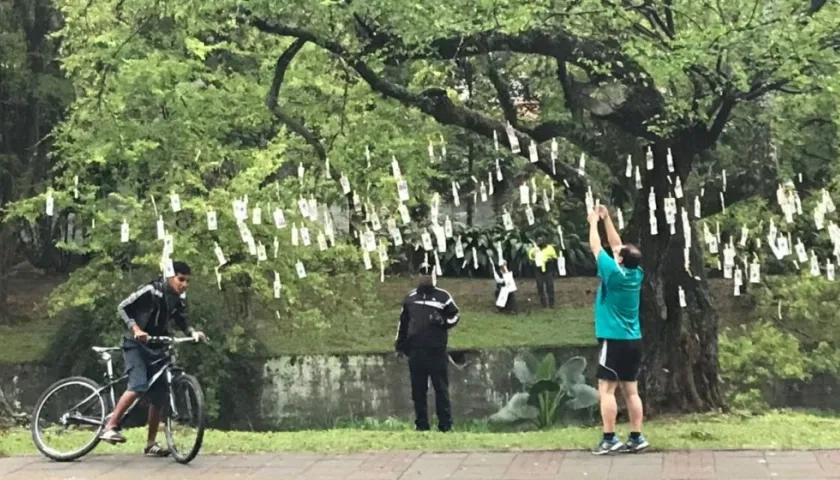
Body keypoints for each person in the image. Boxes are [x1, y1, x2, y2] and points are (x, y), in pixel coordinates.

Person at [99, 261, 206, 456]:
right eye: (181, 279)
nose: (184, 284)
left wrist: (193, 332)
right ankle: (110, 426)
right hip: (136, 345)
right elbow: (123, 307)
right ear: (169, 276)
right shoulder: (151, 290)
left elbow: (182, 319)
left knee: (159, 397)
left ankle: (150, 444)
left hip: (157, 346)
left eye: (187, 281)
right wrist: (136, 329)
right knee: (138, 386)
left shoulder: (179, 298)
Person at [587, 205, 649, 455]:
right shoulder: (636, 273)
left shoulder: (613, 273)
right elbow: (616, 245)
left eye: (619, 253)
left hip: (614, 340)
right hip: (634, 340)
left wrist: (593, 223)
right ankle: (636, 436)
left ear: (621, 260)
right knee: (631, 390)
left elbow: (596, 247)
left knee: (607, 389)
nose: (617, 251)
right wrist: (607, 219)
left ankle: (610, 438)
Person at [394, 266, 460, 432]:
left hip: (436, 350)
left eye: (429, 274)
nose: (426, 277)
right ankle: (421, 425)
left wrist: (442, 321)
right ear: (418, 276)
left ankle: (445, 425)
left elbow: (455, 316)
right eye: (423, 274)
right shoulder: (410, 298)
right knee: (418, 390)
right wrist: (400, 344)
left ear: (434, 276)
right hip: (416, 351)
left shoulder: (443, 297)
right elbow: (403, 322)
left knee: (441, 389)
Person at [528, 238, 558, 308]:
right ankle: (543, 303)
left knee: (550, 286)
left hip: (548, 269)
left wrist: (550, 259)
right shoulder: (534, 249)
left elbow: (555, 257)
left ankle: (551, 303)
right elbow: (530, 257)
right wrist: (534, 253)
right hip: (538, 269)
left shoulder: (550, 248)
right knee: (540, 286)